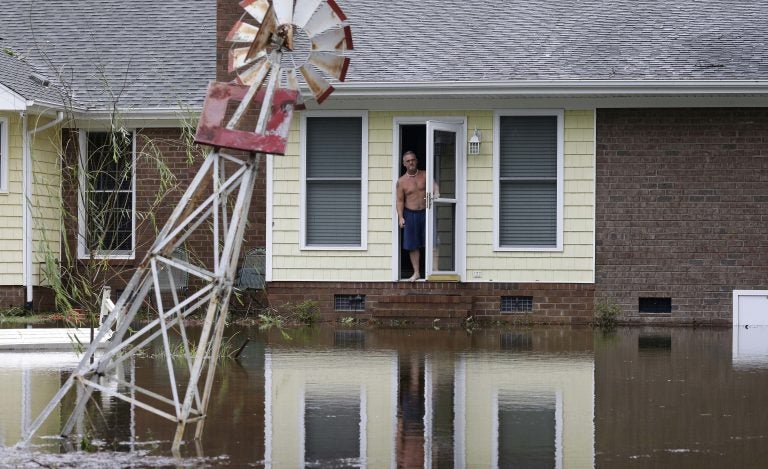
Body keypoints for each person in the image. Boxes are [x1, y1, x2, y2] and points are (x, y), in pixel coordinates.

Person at [396, 151, 427, 281]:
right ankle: (416, 272)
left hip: (427, 212)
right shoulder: (401, 181)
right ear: (404, 164)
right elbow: (400, 200)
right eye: (408, 161)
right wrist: (401, 217)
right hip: (410, 213)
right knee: (413, 245)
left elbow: (435, 188)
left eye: (413, 160)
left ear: (417, 161)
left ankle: (436, 271)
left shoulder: (425, 175)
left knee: (433, 242)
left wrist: (437, 194)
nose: (411, 163)